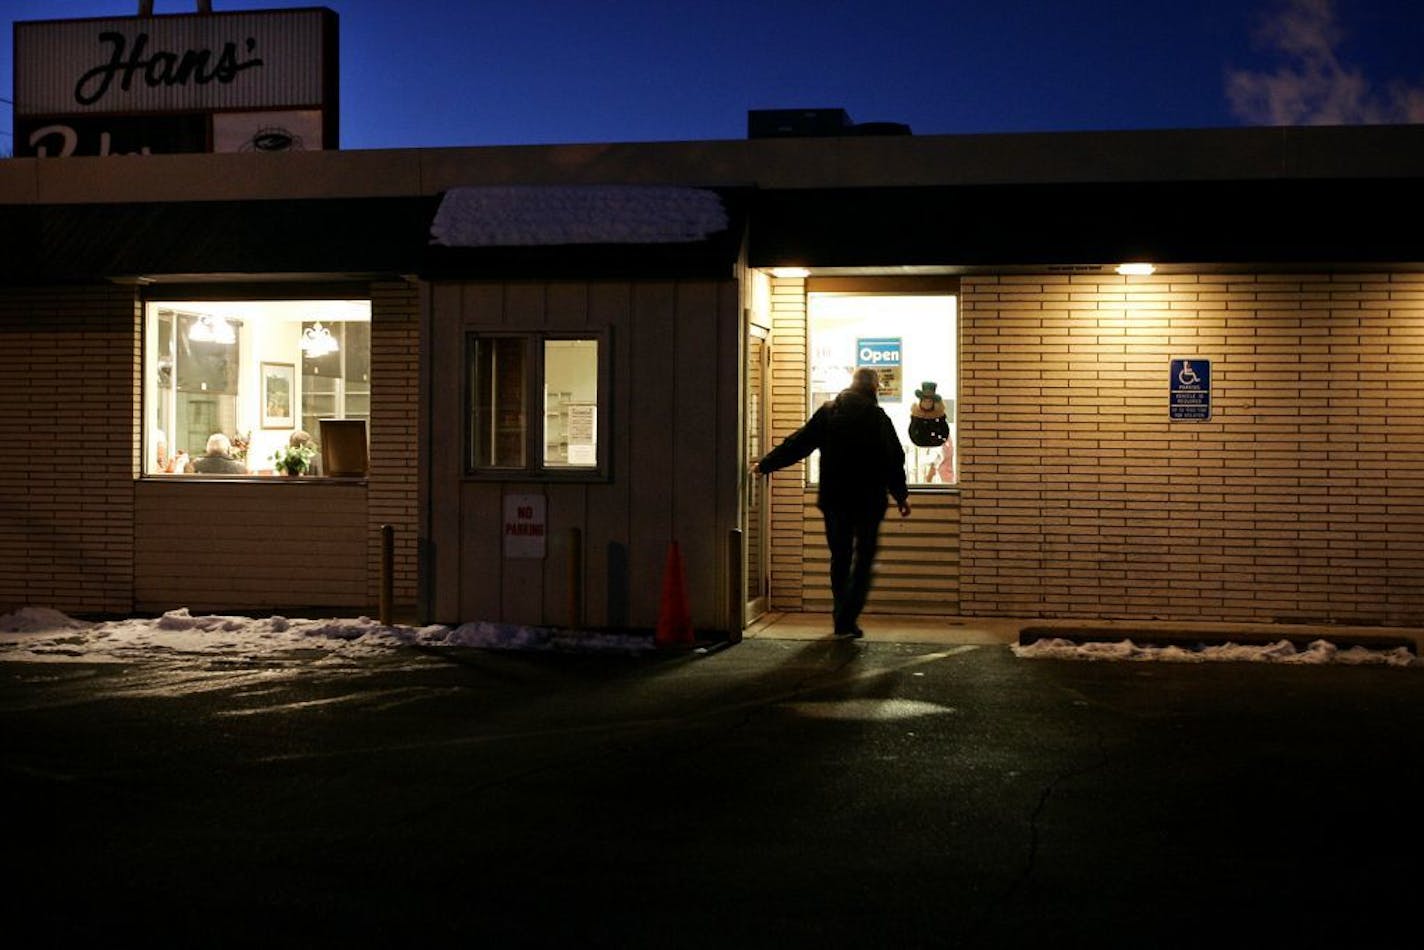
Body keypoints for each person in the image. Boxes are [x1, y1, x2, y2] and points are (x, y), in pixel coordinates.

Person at [753, 367, 911, 638]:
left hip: (835, 500)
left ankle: (841, 619)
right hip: (868, 502)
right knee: (864, 561)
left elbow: (798, 444)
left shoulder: (829, 412)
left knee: (840, 558)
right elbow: (893, 459)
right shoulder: (877, 417)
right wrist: (900, 495)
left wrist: (766, 464)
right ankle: (847, 618)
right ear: (874, 389)